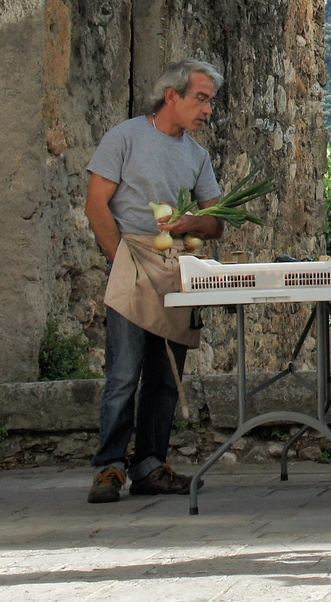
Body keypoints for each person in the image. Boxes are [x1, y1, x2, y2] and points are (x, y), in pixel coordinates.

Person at [84, 60, 227, 503]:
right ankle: (109, 468)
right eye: (200, 99)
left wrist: (193, 222)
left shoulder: (196, 155)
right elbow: (96, 206)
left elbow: (218, 220)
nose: (207, 110)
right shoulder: (125, 137)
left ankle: (149, 465)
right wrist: (121, 260)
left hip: (177, 268)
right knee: (124, 373)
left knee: (166, 377)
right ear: (172, 96)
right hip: (132, 259)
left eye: (211, 101)